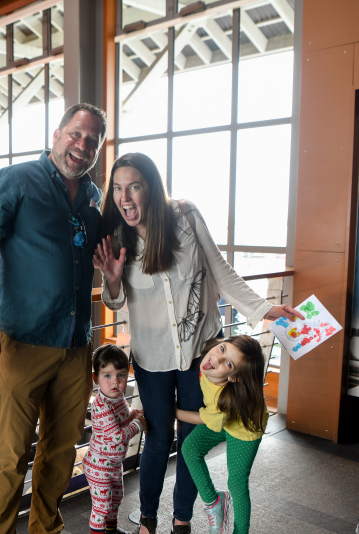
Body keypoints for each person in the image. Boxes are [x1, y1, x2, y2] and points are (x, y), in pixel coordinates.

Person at [93, 152, 303, 534]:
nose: (125, 197)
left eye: (134, 186)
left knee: (191, 442)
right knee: (157, 442)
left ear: (151, 188)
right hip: (152, 358)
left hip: (201, 355)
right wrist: (111, 279)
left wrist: (264, 309)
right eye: (118, 188)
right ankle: (148, 520)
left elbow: (221, 271)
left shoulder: (185, 218)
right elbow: (115, 300)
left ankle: (183, 520)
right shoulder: (117, 238)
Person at [0, 103, 106, 534]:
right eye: (76, 134)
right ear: (57, 133)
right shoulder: (15, 181)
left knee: (62, 451)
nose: (82, 146)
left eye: (92, 141)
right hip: (24, 341)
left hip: (76, 344)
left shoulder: (92, 196)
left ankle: (46, 528)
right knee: (12, 455)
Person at [177, 335, 268, 534]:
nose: (216, 359)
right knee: (190, 448)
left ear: (234, 377)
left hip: (244, 427)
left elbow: (206, 418)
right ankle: (214, 501)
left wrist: (172, 413)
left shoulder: (222, 399)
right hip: (222, 419)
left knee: (236, 482)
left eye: (228, 363)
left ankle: (241, 532)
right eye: (223, 349)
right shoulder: (208, 362)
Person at [83, 345, 146, 534]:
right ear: (96, 378)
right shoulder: (101, 406)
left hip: (113, 463)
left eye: (121, 375)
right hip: (99, 465)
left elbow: (120, 423)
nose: (115, 382)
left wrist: (132, 415)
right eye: (107, 375)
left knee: (116, 500)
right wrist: (139, 425)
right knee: (101, 507)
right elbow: (116, 436)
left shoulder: (118, 399)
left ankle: (112, 531)